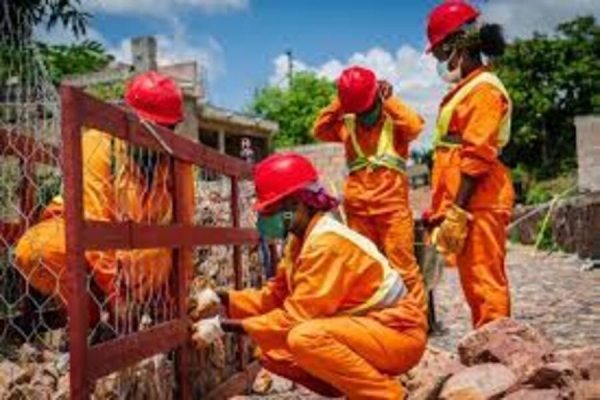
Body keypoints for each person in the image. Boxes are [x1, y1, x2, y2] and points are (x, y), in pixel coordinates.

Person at [189, 153, 427, 399]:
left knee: (304, 338)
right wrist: (221, 298)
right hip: (371, 330)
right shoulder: (300, 240)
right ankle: (355, 390)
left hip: (399, 335)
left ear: (298, 204)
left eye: (271, 209)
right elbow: (274, 296)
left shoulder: (326, 245)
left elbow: (293, 318)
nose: (265, 218)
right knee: (272, 352)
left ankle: (390, 396)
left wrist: (221, 326)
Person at [14, 71, 192, 324]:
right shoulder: (97, 144)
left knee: (158, 251)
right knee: (38, 249)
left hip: (136, 252)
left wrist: (180, 301)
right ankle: (90, 321)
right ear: (127, 117)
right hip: (81, 237)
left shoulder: (179, 163)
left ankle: (145, 312)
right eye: (148, 128)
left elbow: (186, 236)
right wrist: (116, 295)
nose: (155, 137)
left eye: (165, 128)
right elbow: (93, 220)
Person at [425, 0, 515, 329]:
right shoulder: (467, 89)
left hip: (480, 200)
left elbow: (476, 155)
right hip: (469, 201)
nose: (439, 63)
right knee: (475, 284)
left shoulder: (484, 91)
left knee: (485, 283)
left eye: (438, 54)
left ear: (455, 46)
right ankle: (491, 355)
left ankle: (501, 358)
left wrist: (457, 210)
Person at [313, 66, 427, 313]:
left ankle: (415, 321)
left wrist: (390, 100)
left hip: (392, 209)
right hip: (358, 210)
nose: (364, 116)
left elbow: (415, 126)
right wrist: (341, 100)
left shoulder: (394, 124)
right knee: (365, 268)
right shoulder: (347, 124)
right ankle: (375, 321)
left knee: (404, 268)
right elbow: (319, 129)